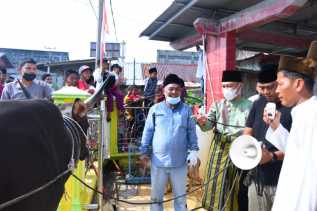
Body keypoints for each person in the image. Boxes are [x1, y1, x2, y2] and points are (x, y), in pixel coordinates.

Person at [264, 41, 317, 211]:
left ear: (299, 84)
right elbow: (297, 153)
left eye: (280, 83)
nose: (277, 90)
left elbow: (311, 175)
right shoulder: (302, 113)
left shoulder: (313, 116)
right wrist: (276, 127)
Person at [193, 70, 252, 211]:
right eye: (224, 86)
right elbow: (208, 126)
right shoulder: (218, 105)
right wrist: (201, 122)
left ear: (240, 86)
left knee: (235, 184)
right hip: (219, 148)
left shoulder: (249, 106)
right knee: (215, 182)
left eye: (230, 86)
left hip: (239, 148)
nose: (227, 89)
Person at [140, 74, 199, 211]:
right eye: (171, 89)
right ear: (163, 90)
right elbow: (148, 132)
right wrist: (144, 152)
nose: (174, 92)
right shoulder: (155, 109)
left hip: (179, 163)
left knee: (180, 198)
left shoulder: (186, 110)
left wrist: (194, 150)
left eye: (177, 89)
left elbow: (191, 132)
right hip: (158, 162)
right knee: (156, 199)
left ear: (181, 91)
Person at [243, 64, 292, 211]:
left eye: (270, 87)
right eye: (262, 88)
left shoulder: (293, 107)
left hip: (284, 182)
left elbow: (298, 148)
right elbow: (247, 132)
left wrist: (272, 156)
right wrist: (251, 149)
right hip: (257, 181)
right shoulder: (258, 104)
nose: (266, 92)